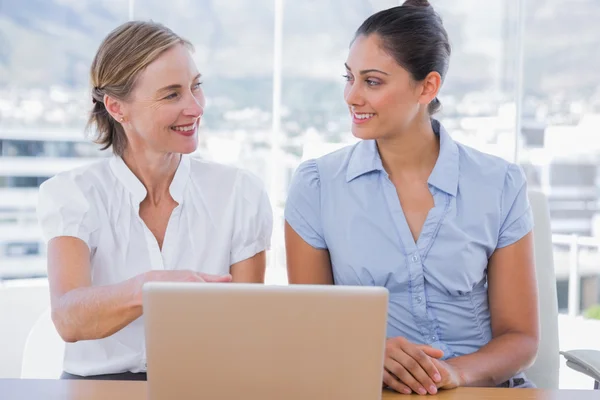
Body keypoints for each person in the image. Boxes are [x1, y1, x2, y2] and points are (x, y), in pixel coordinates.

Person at [284, 0, 539, 395]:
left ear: (428, 86)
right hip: (368, 388)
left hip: (479, 389)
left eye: (372, 82)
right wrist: (365, 351)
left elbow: (520, 337)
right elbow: (309, 324)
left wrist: (454, 373)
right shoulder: (317, 186)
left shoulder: (500, 184)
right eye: (348, 77)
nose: (352, 96)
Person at [37, 21, 273, 380]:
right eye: (171, 94)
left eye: (196, 87)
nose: (195, 108)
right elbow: (69, 319)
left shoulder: (240, 193)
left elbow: (246, 328)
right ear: (117, 108)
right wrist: (151, 289)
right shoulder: (74, 193)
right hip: (98, 390)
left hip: (206, 385)